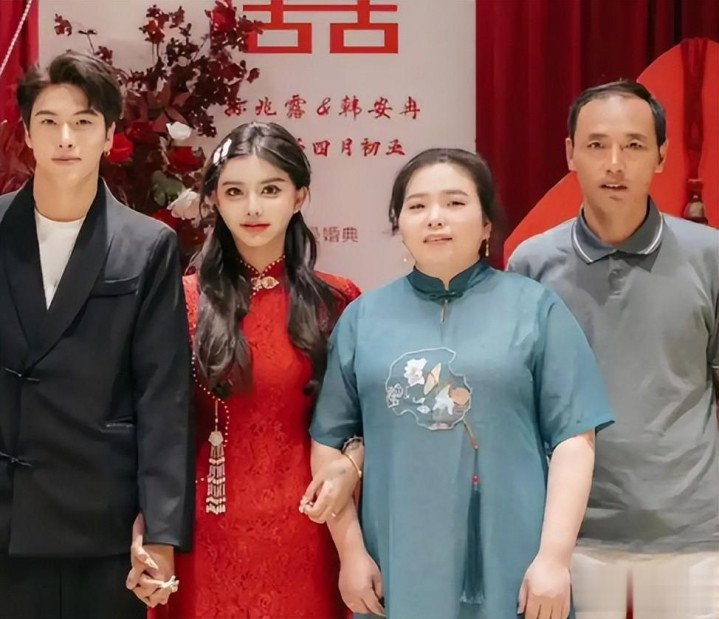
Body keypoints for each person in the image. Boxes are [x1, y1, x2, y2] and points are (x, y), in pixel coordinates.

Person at [310, 147, 614, 619]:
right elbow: (330, 442)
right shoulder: (362, 319)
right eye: (417, 206)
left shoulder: (536, 309)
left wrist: (554, 560)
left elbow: (575, 438)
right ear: (399, 224)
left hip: (516, 560)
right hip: (397, 563)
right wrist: (351, 553)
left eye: (454, 203)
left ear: (487, 224)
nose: (435, 217)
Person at [131, 121, 363, 618]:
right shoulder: (180, 300)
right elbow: (153, 428)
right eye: (235, 191)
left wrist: (354, 463)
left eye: (271, 190)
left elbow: (365, 421)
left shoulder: (338, 300)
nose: (253, 208)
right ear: (214, 199)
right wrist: (149, 529)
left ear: (300, 197)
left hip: (309, 530)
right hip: (204, 533)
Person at [507, 80, 719, 619]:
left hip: (695, 535)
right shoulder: (531, 264)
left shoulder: (710, 256)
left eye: (634, 145)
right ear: (570, 153)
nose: (615, 163)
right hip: (569, 538)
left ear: (662, 156)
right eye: (597, 145)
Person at [0, 51, 193, 618]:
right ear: (26, 134)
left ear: (109, 136)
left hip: (101, 523)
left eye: (83, 122)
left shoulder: (147, 245)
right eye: (49, 121)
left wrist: (161, 531)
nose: (66, 137)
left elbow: (162, 396)